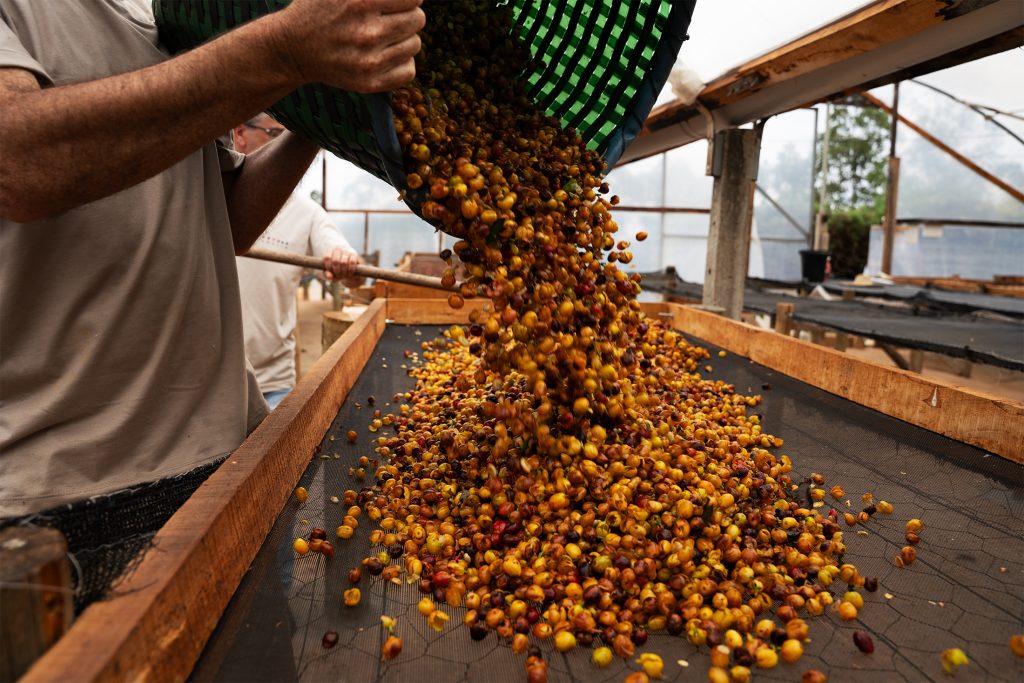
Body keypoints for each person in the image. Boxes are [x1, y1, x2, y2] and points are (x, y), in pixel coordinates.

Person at [0, 0, 424, 606]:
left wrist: (316, 111)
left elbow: (222, 219)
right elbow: (20, 162)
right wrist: (280, 51)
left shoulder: (171, 20)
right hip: (67, 510)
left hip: (223, 470)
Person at [232, 113, 363, 409]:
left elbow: (356, 279)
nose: (286, 151)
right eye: (275, 134)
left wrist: (346, 263)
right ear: (240, 133)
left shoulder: (306, 213)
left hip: (272, 384)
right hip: (209, 388)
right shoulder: (209, 200)